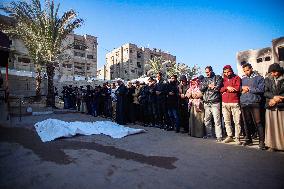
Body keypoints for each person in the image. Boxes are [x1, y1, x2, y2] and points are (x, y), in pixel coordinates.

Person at [240, 63, 265, 150]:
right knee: (247, 122)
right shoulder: (243, 79)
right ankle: (248, 139)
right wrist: (242, 90)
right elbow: (240, 89)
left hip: (255, 102)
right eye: (244, 71)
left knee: (258, 122)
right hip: (244, 103)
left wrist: (249, 89)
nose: (246, 72)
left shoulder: (259, 78)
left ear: (251, 69)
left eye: (247, 70)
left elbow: (261, 89)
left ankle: (261, 141)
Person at [264, 63, 284, 151]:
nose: (273, 74)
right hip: (271, 105)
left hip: (281, 105)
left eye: (275, 72)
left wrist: (278, 99)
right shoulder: (268, 79)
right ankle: (273, 145)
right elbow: (265, 92)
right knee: (272, 127)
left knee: (282, 127)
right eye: (271, 72)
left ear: (279, 71)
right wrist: (273, 97)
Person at [200, 66, 223, 142]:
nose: (207, 73)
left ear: (212, 71)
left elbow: (217, 88)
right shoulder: (204, 79)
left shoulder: (218, 77)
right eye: (206, 72)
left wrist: (211, 87)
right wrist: (208, 86)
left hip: (215, 102)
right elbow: (201, 88)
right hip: (206, 103)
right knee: (207, 120)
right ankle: (209, 134)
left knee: (217, 120)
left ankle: (219, 136)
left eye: (208, 72)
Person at [220, 65, 242, 145]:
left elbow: (237, 88)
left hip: (234, 102)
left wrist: (227, 89)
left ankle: (237, 137)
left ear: (231, 71)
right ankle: (229, 136)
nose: (227, 73)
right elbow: (220, 89)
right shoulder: (223, 79)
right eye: (225, 72)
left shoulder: (237, 78)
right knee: (227, 121)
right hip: (225, 102)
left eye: (228, 72)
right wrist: (227, 88)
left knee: (237, 121)